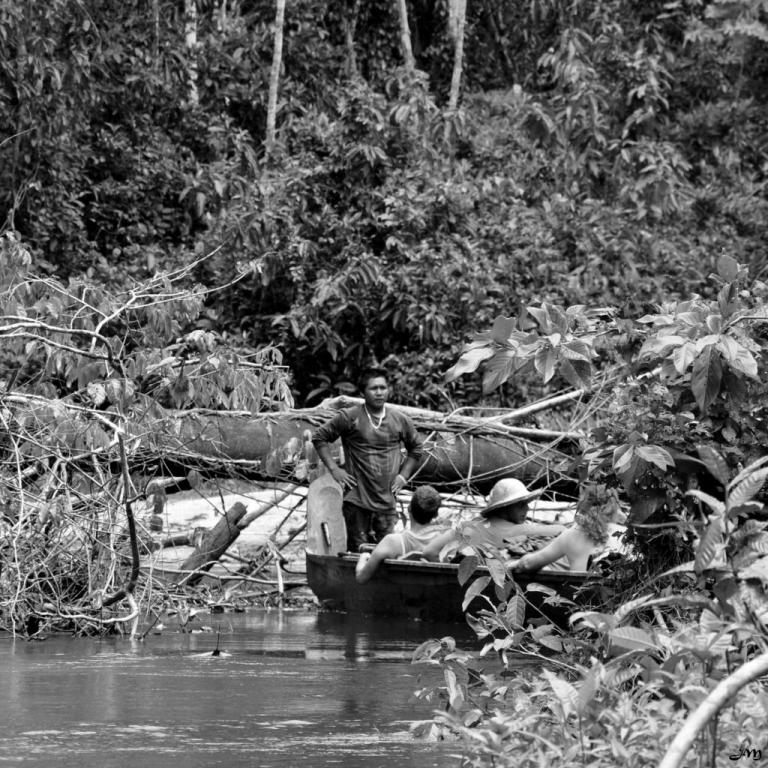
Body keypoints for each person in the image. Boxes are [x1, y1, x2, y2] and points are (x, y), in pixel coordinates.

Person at [312, 367, 423, 552]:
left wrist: (403, 476)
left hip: (387, 500)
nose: (379, 392)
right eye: (374, 388)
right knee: (358, 551)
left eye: (383, 387)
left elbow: (416, 448)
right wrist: (335, 469)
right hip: (357, 499)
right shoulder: (350, 416)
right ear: (363, 392)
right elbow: (319, 438)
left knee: (386, 552)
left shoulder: (399, 419)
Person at [421, 477, 564, 562]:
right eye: (521, 505)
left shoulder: (467, 528)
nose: (526, 509)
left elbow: (429, 552)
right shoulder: (520, 531)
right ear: (506, 506)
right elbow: (561, 531)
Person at [513, 484, 624, 572]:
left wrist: (513, 564)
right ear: (614, 508)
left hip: (581, 598)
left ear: (583, 504)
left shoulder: (571, 534)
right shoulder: (624, 534)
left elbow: (529, 564)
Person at [355, 485, 446, 584]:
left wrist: (363, 557)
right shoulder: (445, 545)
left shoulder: (392, 542)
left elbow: (361, 578)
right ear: (436, 514)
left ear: (409, 509)